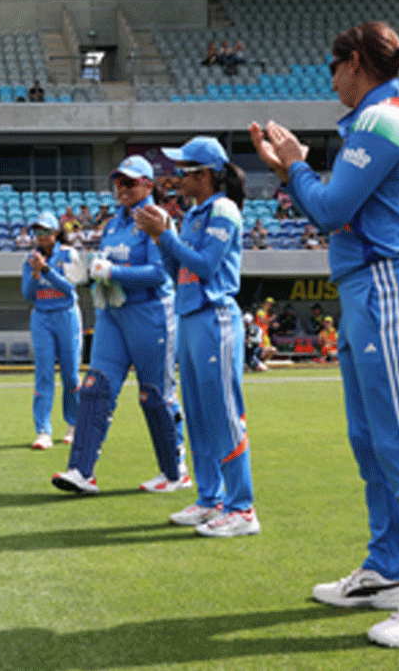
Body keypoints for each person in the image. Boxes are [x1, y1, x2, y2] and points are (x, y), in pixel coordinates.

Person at [249, 20, 399, 648]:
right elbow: (337, 204)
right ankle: (386, 573)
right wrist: (297, 169)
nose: (331, 79)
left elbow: (330, 209)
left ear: (356, 64)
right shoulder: (372, 122)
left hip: (388, 289)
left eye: (333, 66)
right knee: (370, 440)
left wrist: (295, 167)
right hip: (367, 291)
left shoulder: (381, 122)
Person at [135, 136, 258, 537]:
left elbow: (206, 265)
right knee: (200, 416)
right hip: (191, 316)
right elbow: (179, 272)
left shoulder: (223, 209)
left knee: (223, 413)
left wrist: (167, 237)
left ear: (204, 175)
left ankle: (242, 508)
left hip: (214, 317)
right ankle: (211, 498)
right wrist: (162, 237)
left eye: (183, 170)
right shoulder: (193, 215)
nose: (175, 177)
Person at [51, 155, 187, 496]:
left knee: (154, 395)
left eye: (129, 183)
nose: (121, 189)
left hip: (150, 314)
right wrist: (87, 271)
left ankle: (174, 471)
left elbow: (160, 273)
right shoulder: (113, 224)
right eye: (118, 182)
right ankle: (81, 472)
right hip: (113, 311)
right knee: (95, 387)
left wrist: (114, 272)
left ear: (147, 185)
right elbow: (107, 264)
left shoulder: (157, 219)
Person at [21, 211, 82, 450]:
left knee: (71, 375)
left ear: (56, 232)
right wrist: (35, 273)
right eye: (37, 232)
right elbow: (27, 294)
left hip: (66, 314)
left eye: (45, 231)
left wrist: (46, 270)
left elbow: (69, 288)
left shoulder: (69, 254)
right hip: (41, 316)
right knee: (44, 373)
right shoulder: (30, 258)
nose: (41, 236)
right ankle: (43, 431)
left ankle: (74, 424)